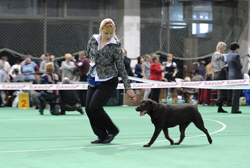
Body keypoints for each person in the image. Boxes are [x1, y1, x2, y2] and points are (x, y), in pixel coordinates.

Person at [85, 18, 136, 144]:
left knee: (95, 107)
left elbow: (121, 67)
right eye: (106, 33)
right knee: (88, 108)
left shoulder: (115, 46)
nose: (108, 36)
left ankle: (112, 130)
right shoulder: (93, 40)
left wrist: (128, 87)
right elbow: (88, 54)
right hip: (94, 78)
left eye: (111, 33)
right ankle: (101, 135)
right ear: (100, 30)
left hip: (108, 80)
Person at [211, 42, 228, 113]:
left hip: (216, 73)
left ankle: (219, 105)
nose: (225, 49)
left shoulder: (213, 55)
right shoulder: (221, 56)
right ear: (222, 48)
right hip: (221, 73)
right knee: (222, 91)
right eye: (224, 47)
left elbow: (212, 65)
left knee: (220, 90)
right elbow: (222, 66)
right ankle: (220, 106)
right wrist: (227, 64)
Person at [227, 42, 243, 114]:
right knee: (236, 93)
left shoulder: (228, 55)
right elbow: (240, 67)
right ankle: (235, 109)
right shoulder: (236, 56)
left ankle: (234, 108)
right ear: (236, 48)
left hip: (230, 75)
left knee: (233, 93)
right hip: (237, 76)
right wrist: (241, 62)